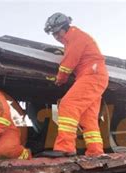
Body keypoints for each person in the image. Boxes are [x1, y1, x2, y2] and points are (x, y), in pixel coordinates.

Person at [41, 12, 109, 157]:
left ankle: (65, 147)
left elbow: (69, 62)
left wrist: (60, 78)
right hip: (95, 75)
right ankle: (95, 151)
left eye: (56, 33)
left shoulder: (75, 37)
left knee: (68, 105)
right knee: (88, 117)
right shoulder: (75, 38)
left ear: (64, 27)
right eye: (53, 34)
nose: (56, 37)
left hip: (92, 75)